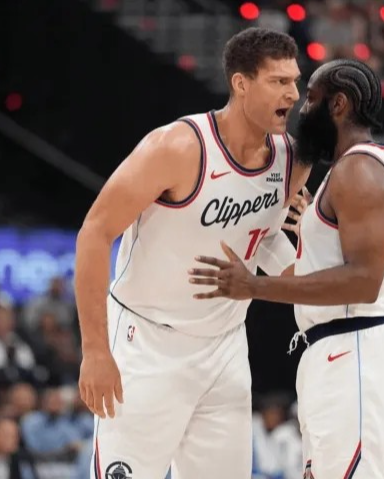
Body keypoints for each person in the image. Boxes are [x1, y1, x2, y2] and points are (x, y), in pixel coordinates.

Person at [75, 28, 310, 479]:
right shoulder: (177, 147)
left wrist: (308, 274)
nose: (293, 94)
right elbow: (94, 233)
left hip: (225, 349)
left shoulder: (290, 159)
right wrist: (95, 351)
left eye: (294, 81)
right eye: (279, 81)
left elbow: (263, 239)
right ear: (241, 84)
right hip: (147, 343)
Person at [189, 59, 384, 478]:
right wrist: (318, 234)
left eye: (312, 98)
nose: (302, 109)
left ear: (339, 104)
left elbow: (366, 282)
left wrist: (253, 286)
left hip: (354, 349)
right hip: (355, 345)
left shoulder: (357, 171)